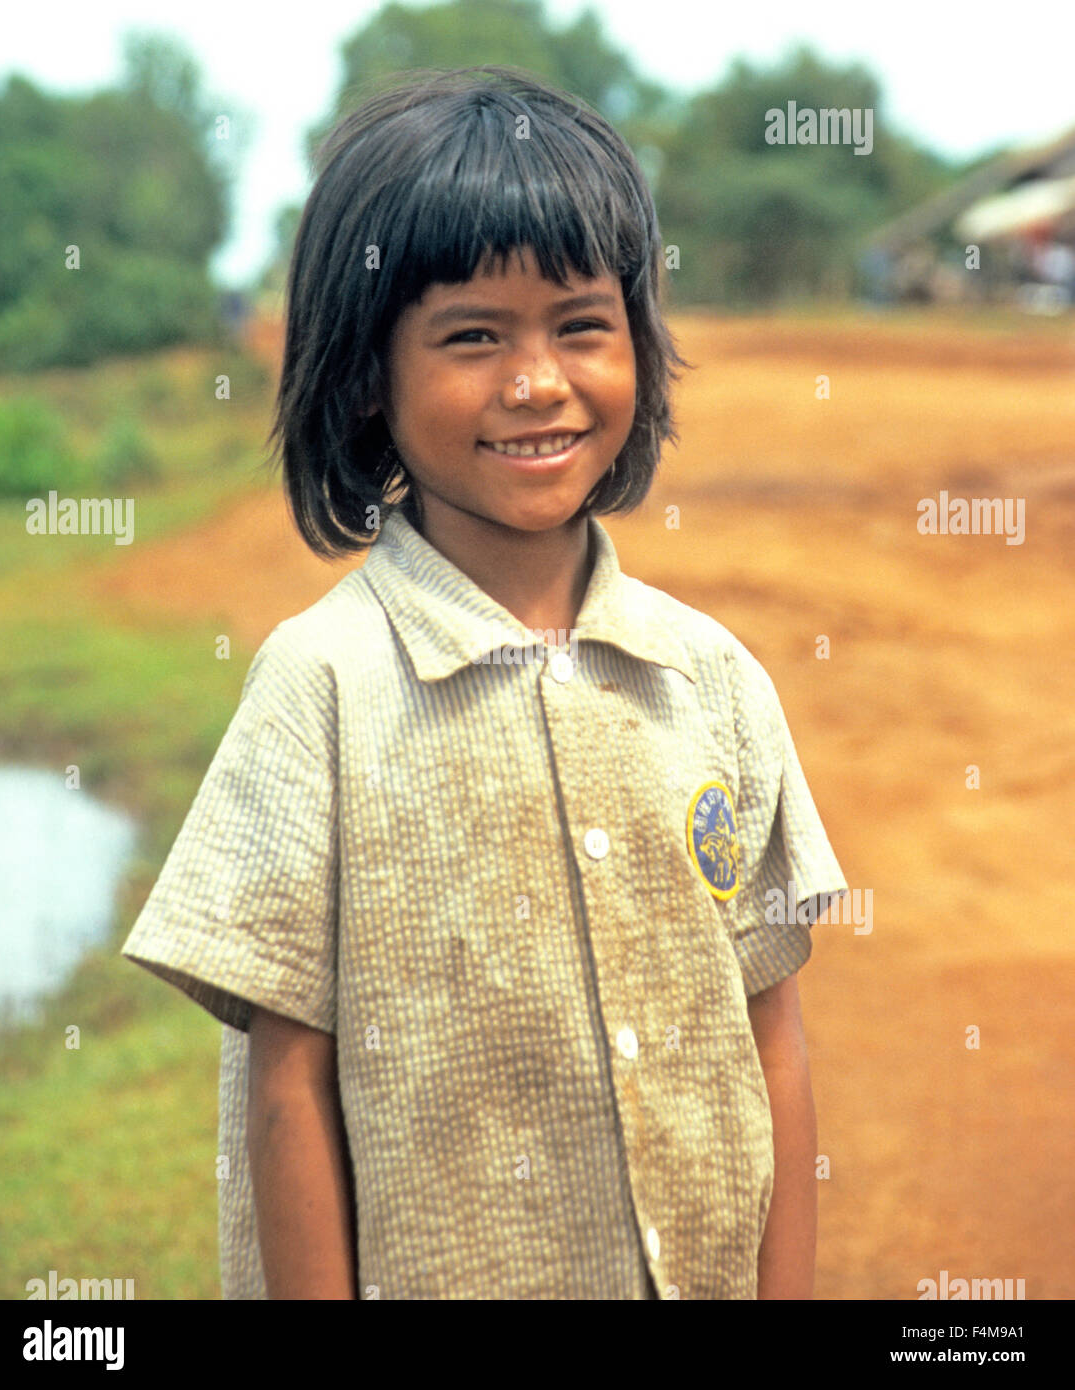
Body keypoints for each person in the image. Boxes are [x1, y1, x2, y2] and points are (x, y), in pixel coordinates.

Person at [121, 64, 847, 1301]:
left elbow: (767, 1037)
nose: (536, 381)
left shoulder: (712, 679)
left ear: (641, 347)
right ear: (365, 376)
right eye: (471, 335)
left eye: (580, 323)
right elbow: (287, 1085)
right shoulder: (323, 687)